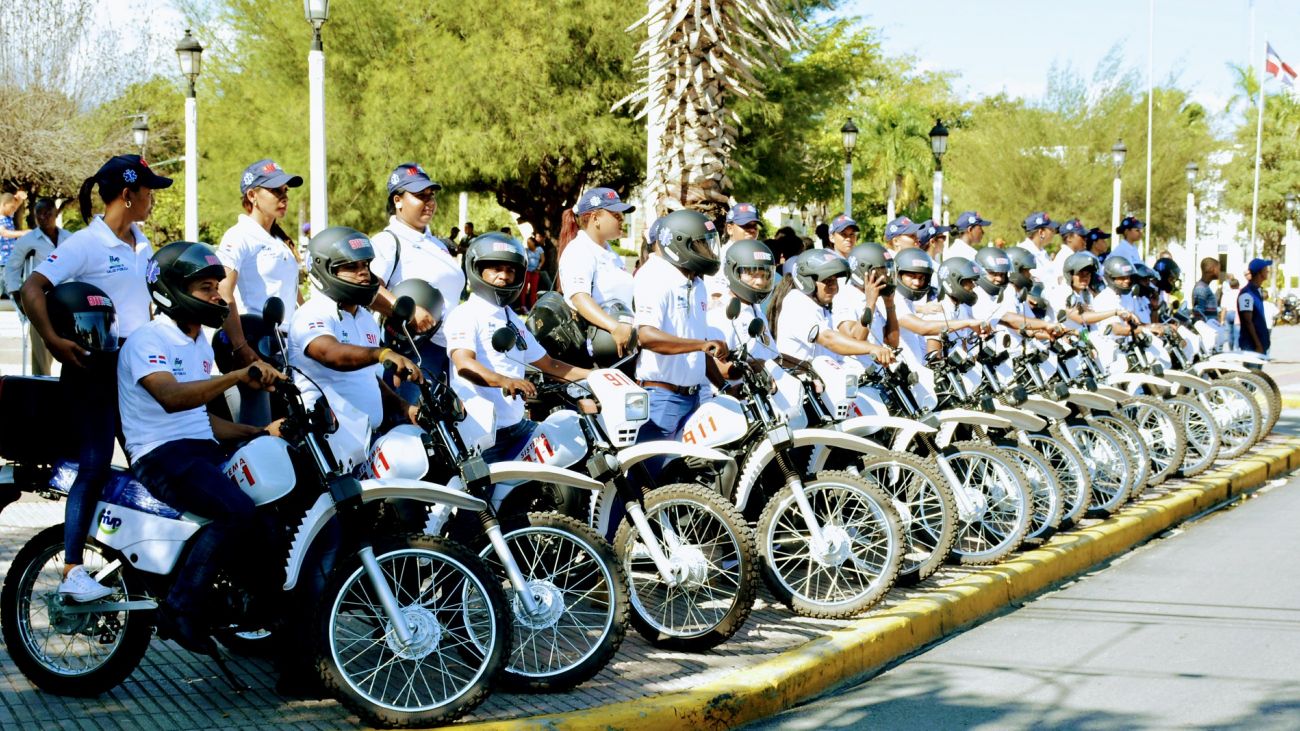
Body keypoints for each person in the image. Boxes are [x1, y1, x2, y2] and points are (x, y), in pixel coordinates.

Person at [122, 241, 284, 651]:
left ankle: (254, 612)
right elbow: (173, 398)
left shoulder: (195, 342)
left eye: (217, 287)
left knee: (270, 510)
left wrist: (260, 433)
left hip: (198, 448)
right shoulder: (148, 340)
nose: (217, 296)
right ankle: (178, 606)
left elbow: (202, 420)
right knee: (236, 512)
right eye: (206, 288)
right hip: (160, 455)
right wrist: (234, 376)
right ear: (173, 291)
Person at [21, 155, 169, 602]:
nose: (152, 199)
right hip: (93, 369)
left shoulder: (142, 243)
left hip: (136, 367)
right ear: (128, 194)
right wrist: (52, 340)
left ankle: (146, 558)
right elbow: (33, 288)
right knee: (96, 463)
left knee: (153, 459)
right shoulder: (86, 244)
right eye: (148, 191)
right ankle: (71, 569)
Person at [445, 233, 589, 462]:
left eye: (510, 270)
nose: (504, 276)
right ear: (477, 269)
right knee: (484, 497)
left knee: (569, 456)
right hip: (484, 434)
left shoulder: (511, 319)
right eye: (495, 269)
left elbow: (549, 364)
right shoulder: (465, 315)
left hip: (516, 425)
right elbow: (464, 364)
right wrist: (505, 381)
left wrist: (599, 377)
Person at [289, 227, 423, 467]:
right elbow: (331, 354)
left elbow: (368, 378)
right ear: (324, 269)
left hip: (369, 442)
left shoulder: (365, 318)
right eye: (351, 267)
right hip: (327, 446)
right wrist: (381, 353)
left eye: (365, 266)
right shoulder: (312, 313)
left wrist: (404, 407)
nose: (363, 273)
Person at [214, 159, 305, 425]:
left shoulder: (278, 239)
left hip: (284, 345)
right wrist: (240, 346)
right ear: (252, 195)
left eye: (285, 191)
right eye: (276, 190)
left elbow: (294, 296)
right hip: (253, 341)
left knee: (292, 426)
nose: (283, 197)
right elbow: (223, 292)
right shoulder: (239, 235)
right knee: (259, 428)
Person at [634, 209, 729, 444]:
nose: (709, 251)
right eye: (702, 244)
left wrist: (724, 385)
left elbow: (699, 347)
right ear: (680, 244)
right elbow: (646, 336)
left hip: (694, 396)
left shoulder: (696, 283)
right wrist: (703, 344)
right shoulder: (654, 275)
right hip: (662, 398)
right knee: (651, 474)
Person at [367, 163, 462, 380]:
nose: (429, 202)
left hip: (447, 350)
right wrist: (406, 311)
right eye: (420, 195)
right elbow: (368, 289)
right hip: (411, 349)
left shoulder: (437, 244)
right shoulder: (388, 241)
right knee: (409, 414)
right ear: (397, 200)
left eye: (431, 195)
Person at [767, 248, 896, 367]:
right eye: (827, 280)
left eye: (834, 281)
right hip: (799, 384)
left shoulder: (823, 307)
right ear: (808, 281)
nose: (833, 286)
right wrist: (871, 348)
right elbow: (829, 339)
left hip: (823, 383)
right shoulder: (796, 302)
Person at [556, 187, 636, 359]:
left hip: (619, 345)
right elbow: (579, 298)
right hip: (593, 350)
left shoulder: (609, 252)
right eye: (616, 214)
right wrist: (614, 327)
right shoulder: (579, 250)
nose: (622, 219)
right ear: (595, 218)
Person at [5, 198, 68, 375]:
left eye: (47, 213)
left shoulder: (69, 238)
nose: (43, 217)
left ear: (55, 213)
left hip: (67, 300)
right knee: (41, 350)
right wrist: (17, 295)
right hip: (41, 299)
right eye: (38, 213)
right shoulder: (28, 240)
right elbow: (12, 268)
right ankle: (42, 385)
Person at [832, 242, 900, 361]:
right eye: (881, 270)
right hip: (856, 375)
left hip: (878, 373)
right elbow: (855, 340)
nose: (886, 275)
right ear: (864, 271)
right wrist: (870, 303)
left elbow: (892, 341)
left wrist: (889, 304)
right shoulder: (844, 297)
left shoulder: (872, 296)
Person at [705, 202, 762, 306]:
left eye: (755, 226)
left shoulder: (756, 257)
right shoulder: (719, 258)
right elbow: (716, 298)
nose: (752, 230)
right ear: (730, 229)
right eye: (746, 225)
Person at [1238, 258, 1272, 355]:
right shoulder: (1247, 294)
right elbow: (1248, 321)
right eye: (1266, 269)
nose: (1267, 271)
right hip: (1251, 346)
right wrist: (1257, 344)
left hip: (1259, 343)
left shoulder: (1257, 291)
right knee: (1252, 370)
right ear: (1260, 272)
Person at [1016, 212, 1057, 279]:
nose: (1053, 232)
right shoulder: (1023, 252)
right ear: (1041, 232)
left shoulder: (1042, 251)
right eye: (1051, 229)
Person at [1051, 218, 1089, 288]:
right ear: (1069, 238)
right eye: (1082, 236)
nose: (1085, 239)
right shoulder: (1065, 257)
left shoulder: (1070, 255)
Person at [521, 231, 545, 310]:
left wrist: (538, 268)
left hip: (535, 271)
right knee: (524, 289)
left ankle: (533, 306)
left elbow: (543, 260)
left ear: (533, 243)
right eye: (527, 243)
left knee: (534, 290)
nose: (528, 244)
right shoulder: (526, 251)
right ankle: (523, 306)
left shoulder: (539, 249)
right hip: (527, 271)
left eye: (529, 243)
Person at [1192, 257, 1221, 322]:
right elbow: (1199, 314)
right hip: (1206, 330)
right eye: (1218, 269)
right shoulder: (1201, 288)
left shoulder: (1204, 286)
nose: (1220, 272)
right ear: (1212, 269)